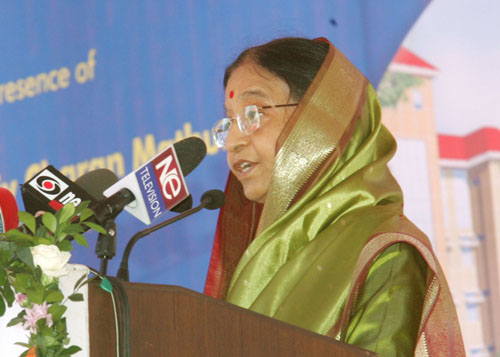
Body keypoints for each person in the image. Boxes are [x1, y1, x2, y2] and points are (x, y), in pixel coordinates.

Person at [204, 37, 464, 356]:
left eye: (254, 114)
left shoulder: (384, 252)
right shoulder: (260, 257)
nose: (232, 140)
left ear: (320, 120)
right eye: (229, 121)